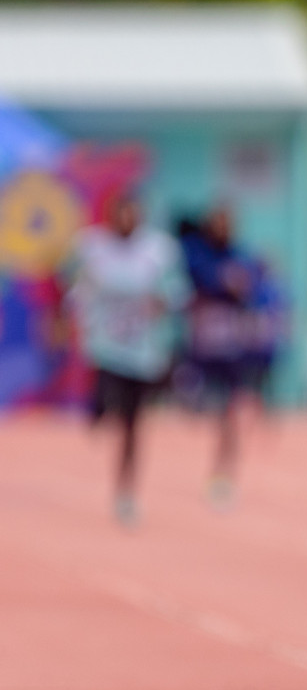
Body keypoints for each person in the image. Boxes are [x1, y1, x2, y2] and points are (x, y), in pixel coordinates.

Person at [66, 192, 189, 526]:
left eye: (132, 214)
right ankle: (98, 409)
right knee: (108, 398)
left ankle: (126, 491)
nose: (127, 220)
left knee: (133, 426)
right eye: (121, 214)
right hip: (106, 349)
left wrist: (162, 304)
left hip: (144, 351)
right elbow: (73, 288)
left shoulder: (159, 252)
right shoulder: (92, 248)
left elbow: (177, 292)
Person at [178, 207, 257, 505]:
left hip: (231, 347)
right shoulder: (196, 255)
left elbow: (249, 288)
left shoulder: (242, 255)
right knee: (199, 406)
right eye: (218, 223)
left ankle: (224, 473)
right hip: (200, 348)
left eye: (228, 224)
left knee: (229, 414)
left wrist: (233, 287)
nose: (223, 229)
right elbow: (201, 282)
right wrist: (224, 284)